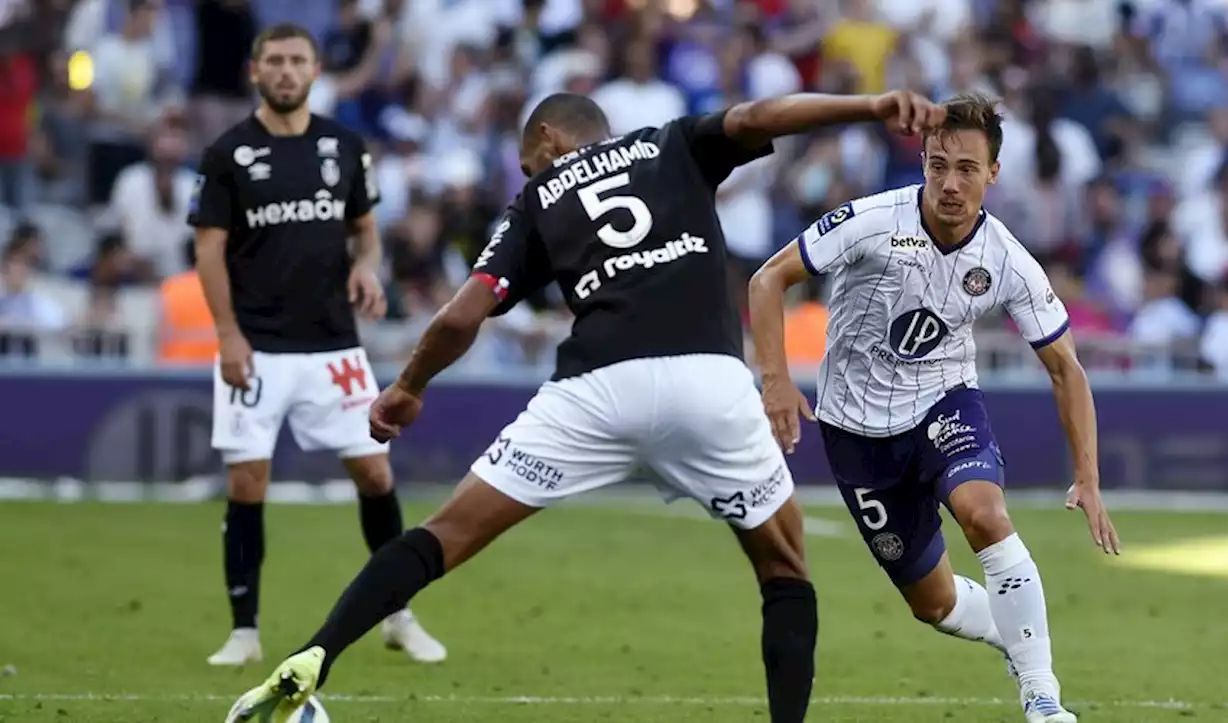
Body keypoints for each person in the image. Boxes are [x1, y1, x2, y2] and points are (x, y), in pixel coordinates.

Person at [227, 89, 947, 723]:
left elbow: (460, 315)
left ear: (547, 142)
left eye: (525, 162)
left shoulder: (539, 198)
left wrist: (408, 386)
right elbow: (760, 116)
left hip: (597, 389)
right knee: (786, 570)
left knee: (442, 534)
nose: (528, 174)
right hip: (710, 381)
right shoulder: (671, 142)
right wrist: (872, 106)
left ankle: (314, 652)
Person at [747, 93, 1121, 723]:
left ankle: (1041, 693)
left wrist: (1087, 475)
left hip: (943, 401)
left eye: (967, 169)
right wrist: (777, 382)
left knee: (984, 512)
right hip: (855, 429)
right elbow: (767, 280)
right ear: (922, 161)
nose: (949, 184)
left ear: (993, 174)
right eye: (937, 165)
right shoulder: (869, 220)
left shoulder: (1006, 260)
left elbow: (1066, 367)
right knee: (934, 604)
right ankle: (1013, 627)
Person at [188, 23, 445, 668]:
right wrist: (226, 334)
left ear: (313, 70)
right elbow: (208, 249)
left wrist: (366, 265)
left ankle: (398, 613)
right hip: (258, 348)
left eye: (296, 60)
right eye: (273, 60)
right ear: (255, 71)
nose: (285, 71)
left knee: (375, 472)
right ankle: (244, 631)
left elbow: (366, 230)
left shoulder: (344, 146)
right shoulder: (228, 154)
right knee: (248, 483)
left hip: (334, 347)